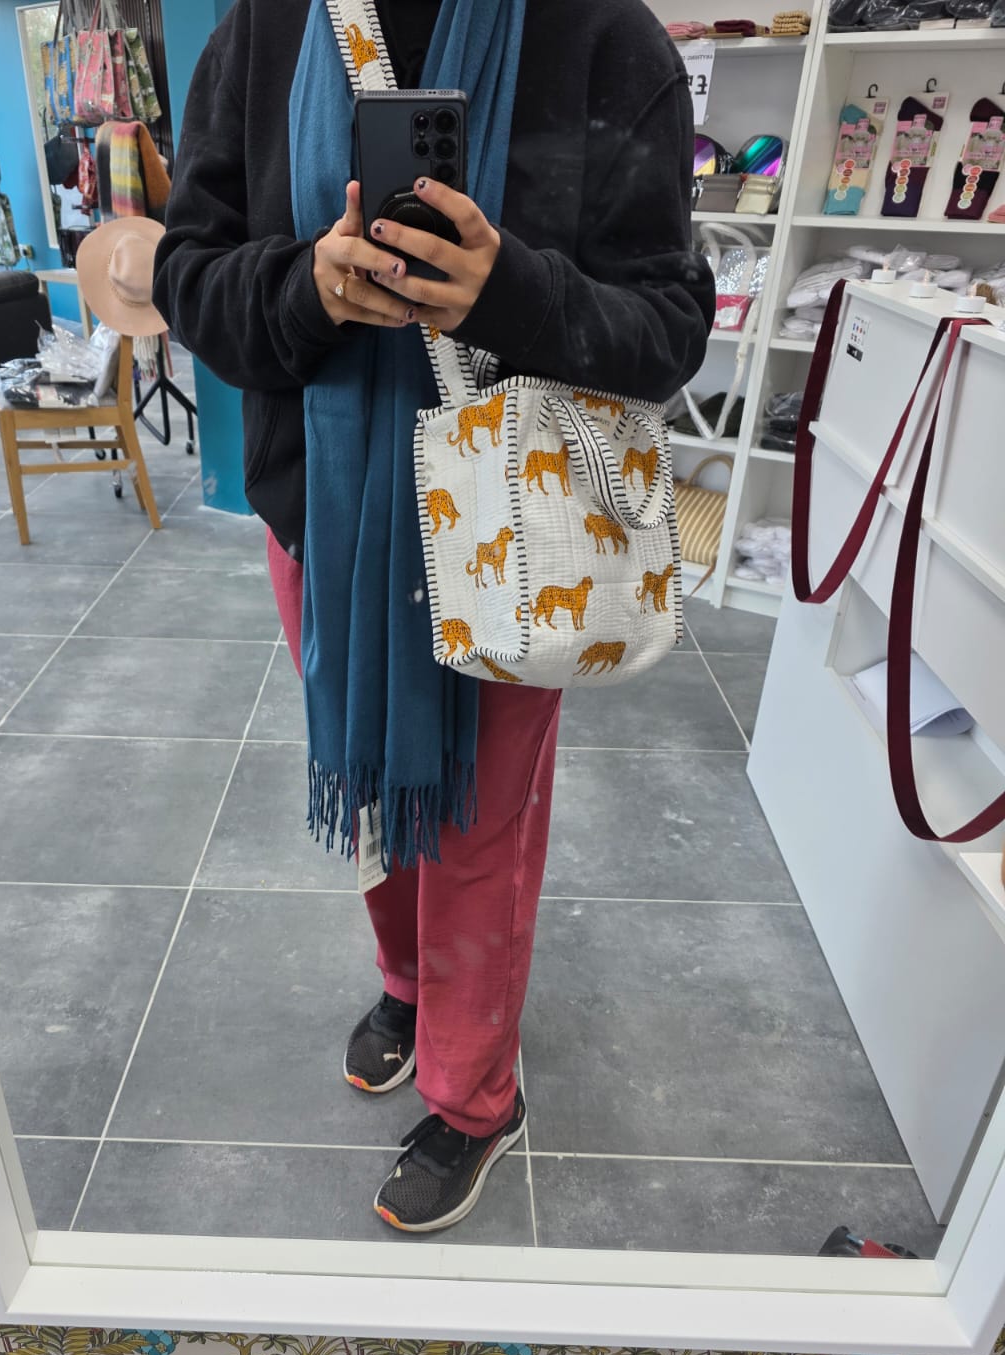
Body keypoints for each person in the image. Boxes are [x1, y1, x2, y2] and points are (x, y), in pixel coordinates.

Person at [153, 0, 713, 1234]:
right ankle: (408, 982)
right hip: (328, 518)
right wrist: (303, 287)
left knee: (483, 826)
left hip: (516, 529)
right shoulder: (266, 29)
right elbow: (188, 276)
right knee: (375, 790)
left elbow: (670, 324)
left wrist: (507, 293)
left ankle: (472, 1097)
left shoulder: (601, 37)